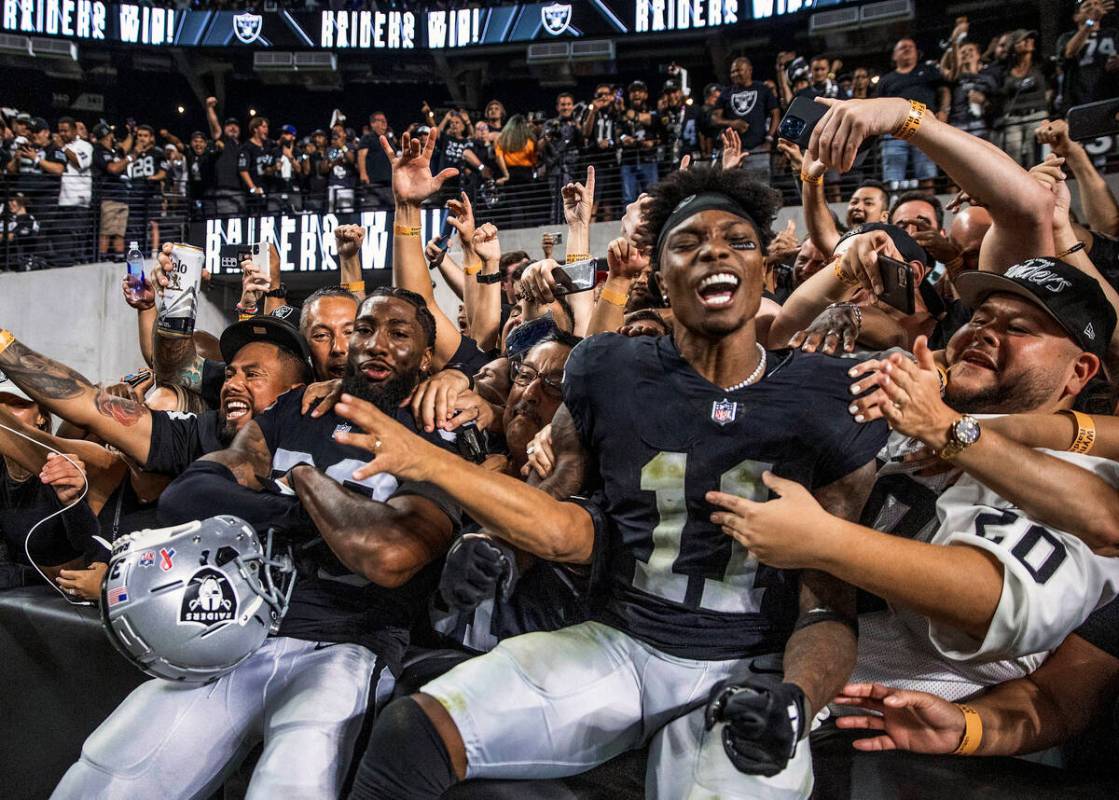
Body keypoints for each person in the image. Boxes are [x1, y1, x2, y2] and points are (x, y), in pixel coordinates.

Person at [341, 162, 888, 800]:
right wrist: (499, 545)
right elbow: (563, 492)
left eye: (737, 241)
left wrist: (798, 699)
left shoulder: (832, 392)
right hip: (623, 641)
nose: (713, 249)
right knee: (413, 730)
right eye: (687, 242)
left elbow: (828, 601)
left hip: (753, 666)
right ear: (659, 272)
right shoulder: (608, 366)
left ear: (764, 266)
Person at [51, 286, 465, 799]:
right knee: (104, 774)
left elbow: (389, 556)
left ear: (427, 359)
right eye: (365, 329)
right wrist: (322, 517)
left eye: (398, 334)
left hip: (348, 643)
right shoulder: (299, 409)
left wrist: (304, 478)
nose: (376, 343)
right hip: (241, 629)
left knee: (293, 783)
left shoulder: (441, 432)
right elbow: (189, 494)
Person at [875, 38, 949, 191]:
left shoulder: (929, 71)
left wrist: (943, 111)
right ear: (895, 56)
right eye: (902, 47)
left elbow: (944, 90)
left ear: (917, 53)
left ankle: (930, 206)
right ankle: (893, 205)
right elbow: (878, 104)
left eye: (910, 47)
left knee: (926, 172)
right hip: (894, 128)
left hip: (924, 123)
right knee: (893, 176)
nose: (907, 49)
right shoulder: (886, 80)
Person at [711, 56, 780, 181]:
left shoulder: (762, 89)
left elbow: (775, 113)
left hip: (758, 148)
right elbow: (715, 118)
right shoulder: (726, 92)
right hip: (734, 150)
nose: (735, 74)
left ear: (749, 70)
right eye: (732, 71)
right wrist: (733, 123)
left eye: (739, 70)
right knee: (735, 188)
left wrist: (769, 139)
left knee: (761, 189)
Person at [996, 30, 1049, 168]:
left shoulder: (1042, 64)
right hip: (1013, 119)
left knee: (1037, 157)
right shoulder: (1004, 70)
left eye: (1030, 39)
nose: (1029, 42)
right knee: (1012, 158)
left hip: (1037, 115)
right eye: (1023, 40)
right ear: (1013, 46)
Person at [1057, 0, 1119, 113]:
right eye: (1087, 6)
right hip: (1080, 102)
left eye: (1096, 4)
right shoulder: (1066, 37)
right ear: (1076, 17)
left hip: (1111, 99)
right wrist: (1090, 21)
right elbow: (1069, 53)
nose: (1094, 8)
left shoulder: (1113, 34)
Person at [539, 93, 584, 224]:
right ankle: (556, 227)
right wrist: (546, 138)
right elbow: (540, 146)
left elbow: (583, 139)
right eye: (563, 104)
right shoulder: (550, 123)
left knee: (576, 200)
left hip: (575, 168)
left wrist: (576, 124)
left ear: (573, 106)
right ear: (557, 107)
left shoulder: (577, 124)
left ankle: (573, 227)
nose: (566, 107)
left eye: (568, 104)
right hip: (555, 168)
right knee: (557, 200)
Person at [123, 125, 167, 251]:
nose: (142, 138)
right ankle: (135, 251)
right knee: (134, 224)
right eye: (140, 135)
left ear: (151, 138)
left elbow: (163, 173)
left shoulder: (158, 152)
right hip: (135, 193)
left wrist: (152, 178)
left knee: (153, 223)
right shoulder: (133, 152)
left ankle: (153, 253)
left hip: (152, 193)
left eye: (145, 136)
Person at [56, 116, 93, 266]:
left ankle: (78, 262)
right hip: (63, 198)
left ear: (73, 130)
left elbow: (80, 162)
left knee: (77, 234)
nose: (62, 134)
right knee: (63, 234)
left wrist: (63, 148)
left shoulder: (84, 145)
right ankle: (66, 261)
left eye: (65, 130)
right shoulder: (58, 145)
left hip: (79, 199)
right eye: (60, 131)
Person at [618, 80, 661, 206]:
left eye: (640, 91)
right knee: (628, 199)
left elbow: (656, 127)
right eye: (633, 92)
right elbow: (617, 133)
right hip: (628, 159)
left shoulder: (653, 111)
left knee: (652, 197)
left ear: (646, 95)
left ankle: (652, 225)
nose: (636, 94)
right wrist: (624, 138)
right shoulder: (622, 114)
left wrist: (652, 143)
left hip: (649, 159)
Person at [90, 123, 129, 262]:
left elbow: (125, 147)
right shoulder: (99, 150)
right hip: (108, 197)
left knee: (119, 232)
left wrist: (131, 134)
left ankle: (118, 259)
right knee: (106, 232)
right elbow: (113, 168)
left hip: (121, 197)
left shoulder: (114, 151)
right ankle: (103, 259)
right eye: (109, 135)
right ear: (108, 135)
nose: (112, 137)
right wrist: (129, 159)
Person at [204, 96, 244, 216]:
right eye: (229, 125)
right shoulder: (223, 140)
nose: (233, 127)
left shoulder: (243, 146)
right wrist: (209, 108)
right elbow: (215, 125)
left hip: (241, 192)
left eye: (236, 125)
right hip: (225, 190)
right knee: (228, 224)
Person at [238, 115, 276, 212]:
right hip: (254, 193)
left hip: (269, 190)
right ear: (255, 129)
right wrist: (253, 188)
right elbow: (243, 170)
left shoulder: (269, 145)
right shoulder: (247, 147)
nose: (266, 129)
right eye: (263, 127)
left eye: (267, 127)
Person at [358, 111, 396, 209]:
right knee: (371, 212)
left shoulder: (390, 140)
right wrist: (363, 173)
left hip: (389, 184)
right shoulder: (367, 138)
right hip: (373, 183)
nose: (384, 123)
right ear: (372, 123)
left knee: (392, 212)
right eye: (381, 121)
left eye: (385, 121)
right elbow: (361, 156)